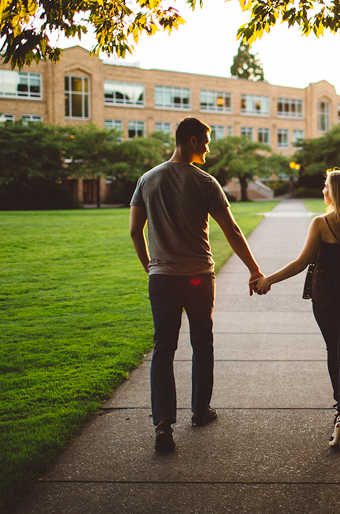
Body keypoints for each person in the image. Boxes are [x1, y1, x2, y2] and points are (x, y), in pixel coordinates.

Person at [130, 117, 263, 453]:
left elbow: (135, 230)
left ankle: (163, 424)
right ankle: (200, 411)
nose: (208, 146)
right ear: (191, 140)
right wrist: (253, 269)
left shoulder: (147, 180)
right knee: (202, 343)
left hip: (161, 279)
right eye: (205, 140)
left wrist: (151, 267)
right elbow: (232, 230)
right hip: (197, 277)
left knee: (164, 348)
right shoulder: (205, 182)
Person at [255, 169, 340, 450]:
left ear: (335, 192)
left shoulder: (321, 223)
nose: (322, 190)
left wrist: (268, 280)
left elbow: (301, 263)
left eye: (326, 186)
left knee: (333, 352)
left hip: (325, 300)